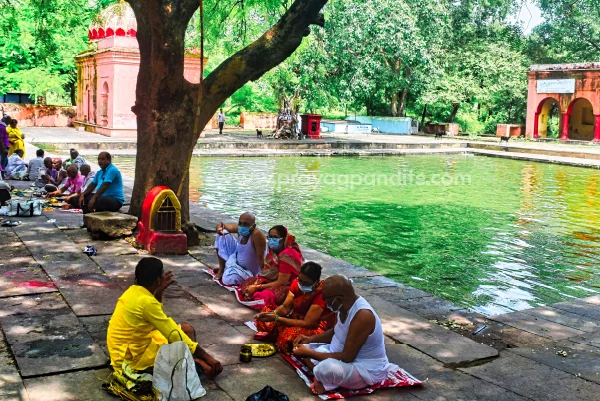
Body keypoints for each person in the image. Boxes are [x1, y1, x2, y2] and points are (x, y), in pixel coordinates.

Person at [107, 257, 223, 377]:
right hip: (132, 359)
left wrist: (159, 291)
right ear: (158, 279)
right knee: (207, 368)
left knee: (186, 329)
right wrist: (208, 358)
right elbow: (172, 333)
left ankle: (187, 360)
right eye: (162, 274)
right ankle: (189, 364)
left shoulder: (133, 291)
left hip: (131, 347)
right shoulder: (146, 302)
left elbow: (153, 316)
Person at [292, 275, 398, 395]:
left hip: (363, 368)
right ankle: (328, 379)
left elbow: (348, 357)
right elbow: (335, 331)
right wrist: (309, 339)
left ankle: (326, 382)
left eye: (326, 299)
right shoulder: (343, 306)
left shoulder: (362, 315)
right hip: (339, 355)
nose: (324, 302)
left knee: (324, 368)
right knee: (304, 348)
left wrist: (310, 353)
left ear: (338, 299)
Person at [254, 262, 335, 354]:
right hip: (295, 319)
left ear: (316, 282)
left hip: (313, 327)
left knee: (288, 336)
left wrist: (277, 318)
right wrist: (272, 314)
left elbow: (308, 323)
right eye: (300, 280)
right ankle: (277, 332)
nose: (301, 284)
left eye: (306, 283)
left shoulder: (321, 294)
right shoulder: (296, 283)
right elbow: (285, 307)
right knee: (265, 315)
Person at [240, 225, 304, 307]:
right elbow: (265, 272)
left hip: (287, 286)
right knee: (247, 283)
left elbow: (281, 282)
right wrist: (256, 285)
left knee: (264, 297)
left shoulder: (287, 256)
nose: (271, 239)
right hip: (271, 281)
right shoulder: (273, 251)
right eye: (270, 237)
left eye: (275, 237)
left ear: (284, 239)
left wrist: (257, 287)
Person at [213, 212, 266, 285]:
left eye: (246, 224)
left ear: (253, 226)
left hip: (249, 272)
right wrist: (218, 229)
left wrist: (262, 279)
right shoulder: (240, 228)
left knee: (228, 279)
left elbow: (261, 259)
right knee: (222, 234)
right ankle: (221, 270)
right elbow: (223, 226)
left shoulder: (257, 235)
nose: (242, 226)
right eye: (240, 223)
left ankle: (232, 271)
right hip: (236, 260)